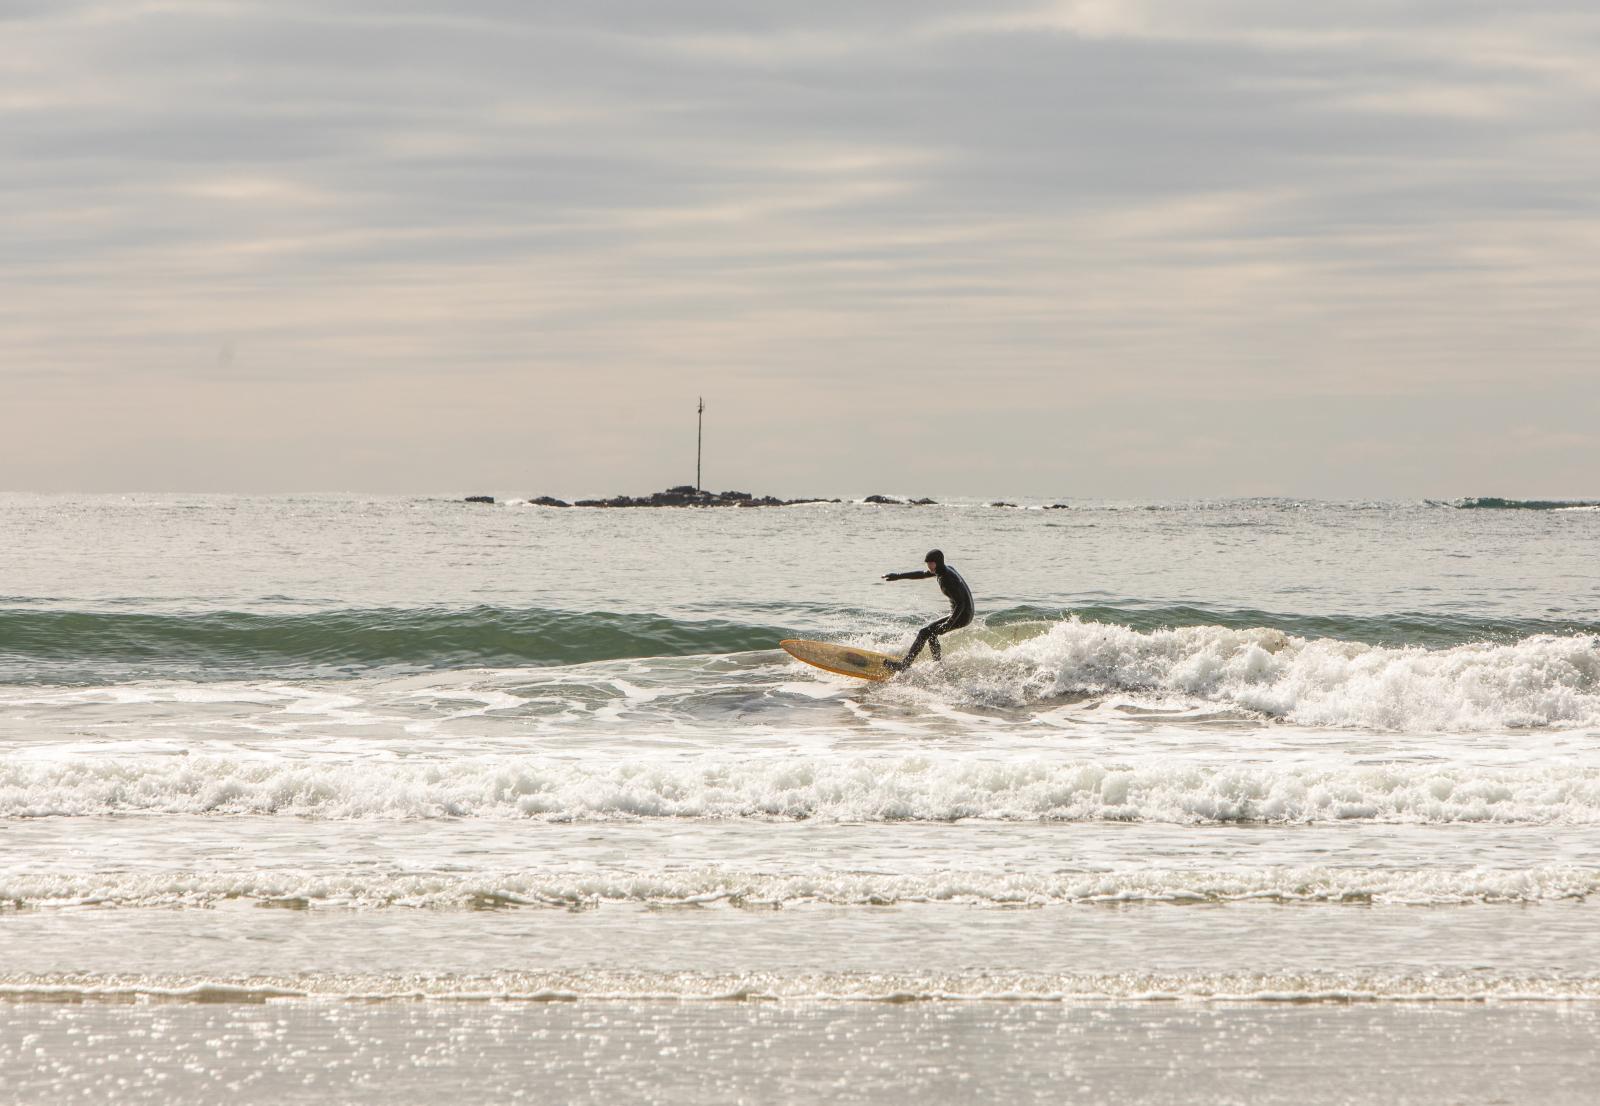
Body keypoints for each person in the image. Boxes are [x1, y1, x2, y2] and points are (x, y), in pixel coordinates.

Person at [881, 549, 974, 671]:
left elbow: (961, 604)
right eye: (927, 563)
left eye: (931, 563)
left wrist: (949, 623)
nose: (928, 566)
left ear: (938, 563)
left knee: (924, 632)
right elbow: (922, 574)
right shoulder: (944, 570)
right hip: (962, 613)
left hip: (962, 615)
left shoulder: (947, 579)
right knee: (931, 634)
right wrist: (898, 576)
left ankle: (905, 665)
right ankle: (938, 665)